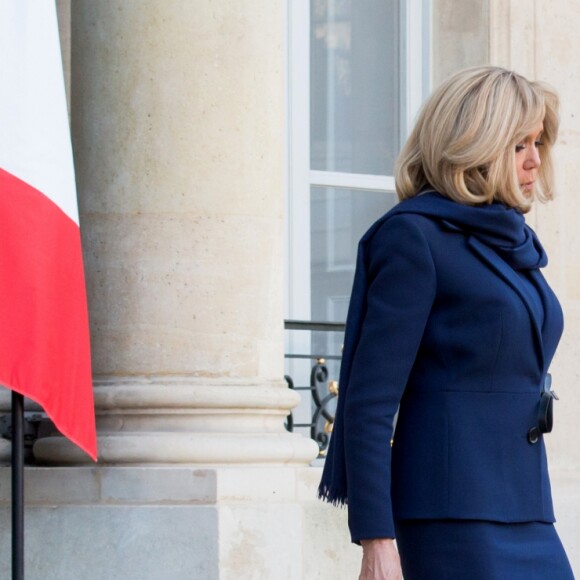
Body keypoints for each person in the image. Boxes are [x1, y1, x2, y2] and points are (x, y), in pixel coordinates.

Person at [318, 66, 575, 579]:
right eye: (519, 144)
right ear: (477, 145)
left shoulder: (513, 246)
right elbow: (369, 403)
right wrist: (377, 539)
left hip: (527, 508)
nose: (534, 160)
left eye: (537, 143)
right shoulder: (414, 239)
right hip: (448, 516)